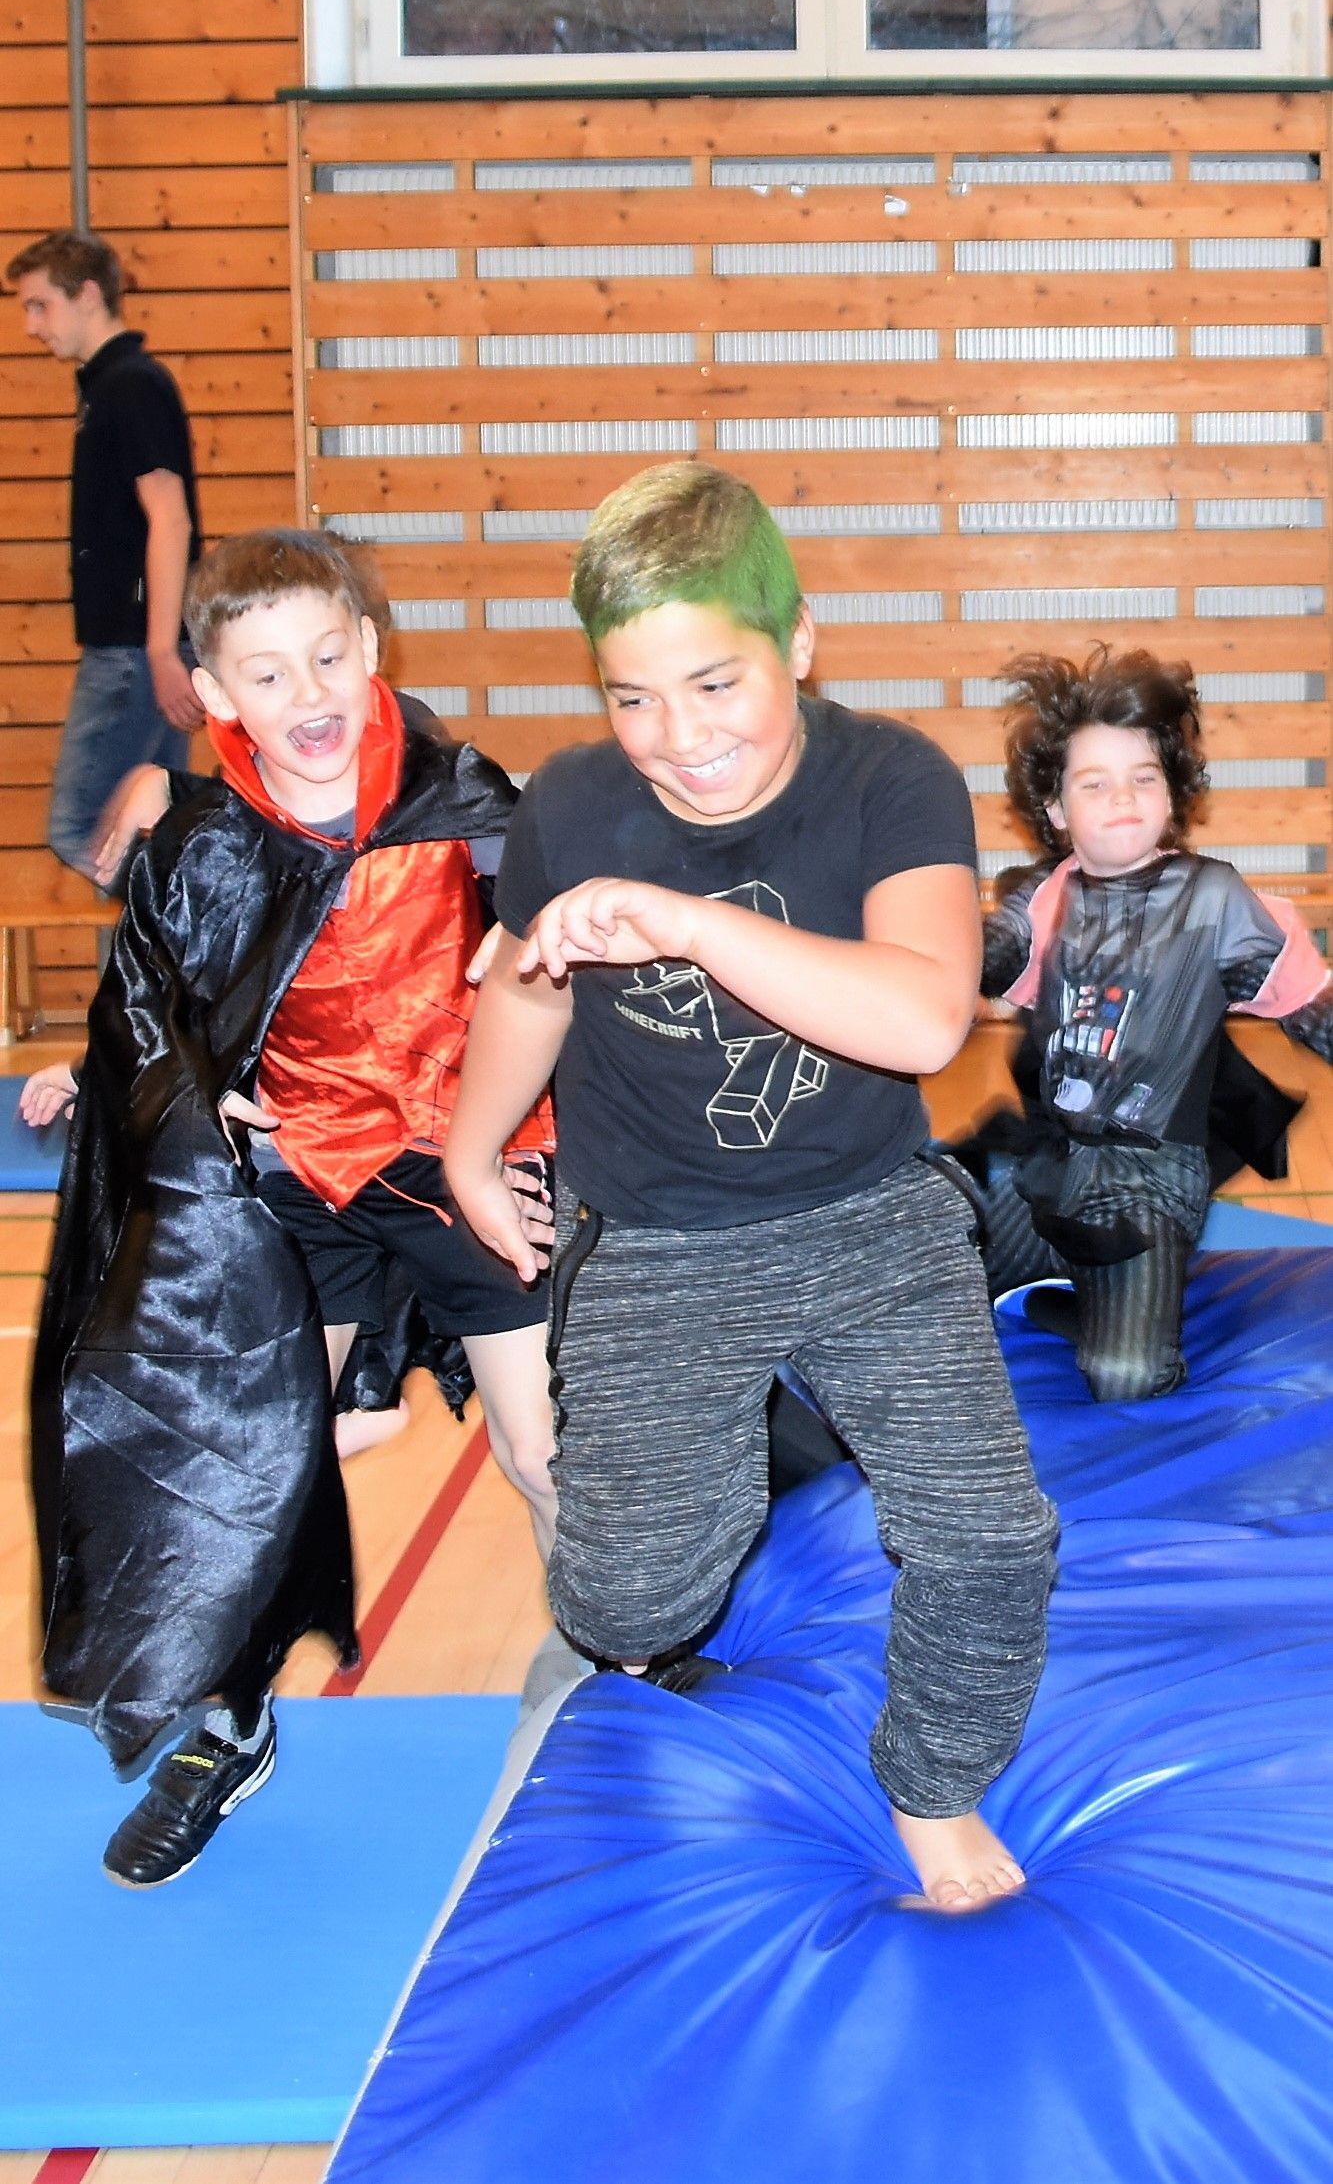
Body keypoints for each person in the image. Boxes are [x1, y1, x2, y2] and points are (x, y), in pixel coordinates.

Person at [444, 461, 1058, 1914]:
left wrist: (682, 921)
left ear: (799, 645)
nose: (680, 737)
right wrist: (471, 1150)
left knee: (991, 1539)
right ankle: (672, 1508)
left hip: (871, 1219)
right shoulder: (573, 805)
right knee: (632, 1598)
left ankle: (933, 1785)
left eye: (716, 684)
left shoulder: (890, 778)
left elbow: (922, 1019)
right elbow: (528, 989)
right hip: (657, 1240)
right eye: (633, 698)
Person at [30, 526, 556, 1888]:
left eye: (328, 657)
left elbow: (558, 976)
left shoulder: (465, 806)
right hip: (303, 1175)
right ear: (216, 694)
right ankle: (231, 1719)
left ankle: (615, 1666)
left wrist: (532, 1124)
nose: (307, 693)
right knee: (245, 1457)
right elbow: (162, 1007)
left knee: (545, 1449)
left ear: (370, 650)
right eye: (266, 674)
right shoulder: (202, 843)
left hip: (462, 1162)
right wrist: (119, 1078)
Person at [977, 646, 1333, 1402]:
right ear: (1056, 811)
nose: (1123, 798)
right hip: (1046, 1161)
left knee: (1125, 1376)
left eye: (1144, 777)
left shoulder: (1214, 903)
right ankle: (1055, 1281)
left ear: (1172, 794)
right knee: (915, 1240)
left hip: (1147, 1179)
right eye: (1093, 783)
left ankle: (1100, 1302)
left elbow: (1313, 1015)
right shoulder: (1045, 897)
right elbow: (977, 957)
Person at [5, 229, 204, 880]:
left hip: (131, 649)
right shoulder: (107, 390)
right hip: (133, 646)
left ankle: (209, 921)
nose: (31, 326)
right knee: (153, 828)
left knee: (81, 829)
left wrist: (160, 650)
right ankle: (189, 934)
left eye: (40, 305)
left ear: (88, 295)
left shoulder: (131, 386)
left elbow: (170, 518)